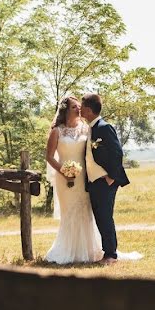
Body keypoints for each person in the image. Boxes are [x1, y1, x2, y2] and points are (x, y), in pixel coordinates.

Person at [43, 96, 104, 264]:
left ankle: (88, 250)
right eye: (74, 107)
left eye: (79, 106)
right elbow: (49, 156)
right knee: (69, 213)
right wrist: (64, 171)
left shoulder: (86, 129)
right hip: (65, 180)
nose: (78, 109)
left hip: (84, 178)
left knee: (86, 211)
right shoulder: (57, 131)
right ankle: (67, 250)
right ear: (65, 110)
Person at [81, 92, 131, 265]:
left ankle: (111, 254)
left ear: (87, 110)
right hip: (94, 182)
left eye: (81, 108)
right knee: (100, 217)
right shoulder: (91, 128)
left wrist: (110, 177)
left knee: (105, 217)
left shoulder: (104, 127)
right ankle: (107, 252)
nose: (80, 110)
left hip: (105, 181)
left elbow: (117, 153)